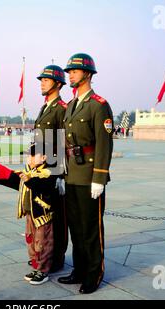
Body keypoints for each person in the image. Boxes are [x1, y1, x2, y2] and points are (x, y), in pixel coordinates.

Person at [57, 53, 113, 294]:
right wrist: (60, 173)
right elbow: (63, 143)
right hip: (72, 175)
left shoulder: (99, 105)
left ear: (88, 74)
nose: (70, 74)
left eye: (74, 71)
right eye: (69, 71)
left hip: (90, 176)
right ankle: (79, 269)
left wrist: (99, 178)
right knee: (76, 228)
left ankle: (94, 273)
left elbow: (104, 144)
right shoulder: (71, 105)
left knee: (91, 228)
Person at [0, 143, 57, 285]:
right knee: (31, 241)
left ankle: (43, 270)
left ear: (44, 157)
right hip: (29, 214)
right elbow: (15, 180)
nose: (29, 158)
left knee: (43, 242)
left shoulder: (49, 172)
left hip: (41, 216)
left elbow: (45, 187)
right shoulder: (28, 171)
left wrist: (29, 180)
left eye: (33, 155)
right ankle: (35, 266)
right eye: (28, 155)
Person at [34, 65, 68, 272]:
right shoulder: (45, 107)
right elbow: (40, 138)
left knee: (57, 216)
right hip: (41, 167)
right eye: (41, 80)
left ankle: (56, 258)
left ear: (57, 83)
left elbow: (64, 142)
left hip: (54, 169)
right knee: (44, 214)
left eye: (46, 80)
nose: (42, 83)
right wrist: (32, 155)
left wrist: (60, 173)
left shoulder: (61, 108)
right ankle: (45, 253)